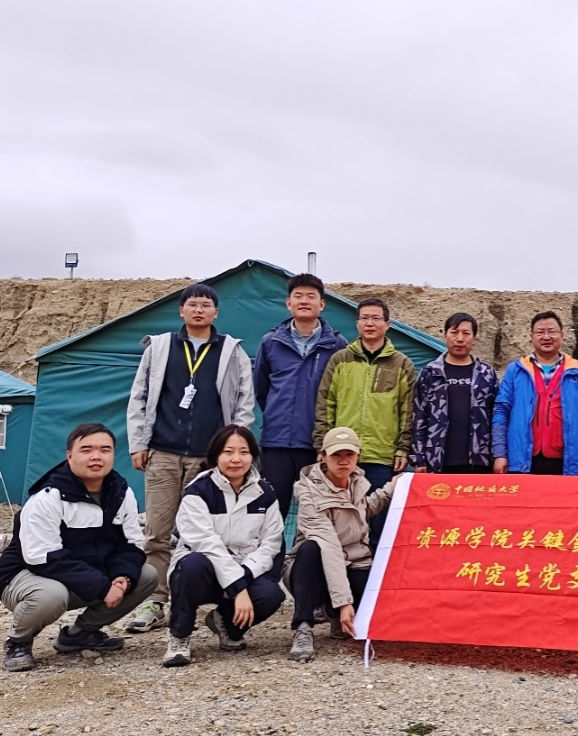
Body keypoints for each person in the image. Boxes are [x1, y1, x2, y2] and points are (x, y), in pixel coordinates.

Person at [125, 282, 255, 633]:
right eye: (192, 304)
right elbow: (139, 396)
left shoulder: (232, 351)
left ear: (216, 312)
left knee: (205, 532)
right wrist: (138, 443)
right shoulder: (160, 346)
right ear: (181, 310)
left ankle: (197, 600)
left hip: (208, 460)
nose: (199, 310)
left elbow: (244, 403)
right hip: (163, 452)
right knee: (157, 532)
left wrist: (232, 450)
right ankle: (156, 601)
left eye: (206, 305)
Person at [0, 423, 158, 672]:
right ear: (70, 456)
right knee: (51, 595)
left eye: (105, 450)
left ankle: (80, 634)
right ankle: (18, 641)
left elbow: (131, 544)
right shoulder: (47, 497)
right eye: (87, 450)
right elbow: (41, 557)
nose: (96, 456)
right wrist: (102, 587)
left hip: (83, 573)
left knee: (146, 576)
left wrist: (123, 577)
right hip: (26, 575)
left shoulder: (121, 492)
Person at [162, 425, 285, 667]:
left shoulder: (265, 493)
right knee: (192, 565)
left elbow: (271, 543)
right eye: (228, 452)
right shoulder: (198, 491)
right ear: (216, 455)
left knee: (271, 595)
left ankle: (225, 624)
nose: (236, 459)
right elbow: (207, 545)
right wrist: (239, 588)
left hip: (244, 567)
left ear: (253, 456)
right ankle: (179, 636)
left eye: (244, 452)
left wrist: (245, 575)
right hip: (205, 570)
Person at [285, 427, 400, 662]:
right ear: (323, 456)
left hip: (354, 561)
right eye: (336, 454)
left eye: (349, 454)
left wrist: (393, 487)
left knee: (372, 602)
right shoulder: (308, 491)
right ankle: (303, 627)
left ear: (358, 456)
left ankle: (333, 613)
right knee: (311, 549)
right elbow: (329, 547)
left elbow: (364, 510)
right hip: (316, 566)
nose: (343, 460)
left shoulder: (357, 482)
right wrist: (344, 602)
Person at [313, 297, 415, 547]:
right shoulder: (340, 360)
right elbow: (326, 403)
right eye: (365, 318)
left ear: (388, 324)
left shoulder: (401, 363)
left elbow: (408, 410)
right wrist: (323, 445)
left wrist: (403, 448)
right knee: (342, 519)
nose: (370, 323)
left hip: (382, 456)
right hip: (343, 455)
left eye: (376, 318)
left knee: (378, 523)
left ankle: (373, 571)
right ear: (357, 323)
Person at [254, 273, 348, 521]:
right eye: (298, 296)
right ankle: (272, 550)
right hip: (276, 443)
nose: (304, 301)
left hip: (317, 445)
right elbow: (261, 390)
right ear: (288, 303)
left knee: (316, 513)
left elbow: (341, 395)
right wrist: (277, 415)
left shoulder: (337, 345)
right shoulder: (271, 342)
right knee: (272, 514)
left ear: (322, 304)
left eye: (311, 296)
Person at [492, 311, 578, 476]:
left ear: (562, 335)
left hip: (566, 461)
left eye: (552, 332)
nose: (546, 337)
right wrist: (500, 454)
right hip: (522, 460)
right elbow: (501, 412)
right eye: (540, 332)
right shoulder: (516, 371)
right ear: (531, 337)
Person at [411, 313, 499, 474]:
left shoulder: (486, 374)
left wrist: (498, 455)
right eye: (454, 332)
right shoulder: (430, 373)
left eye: (466, 333)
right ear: (445, 335)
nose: (460, 339)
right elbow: (419, 416)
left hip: (480, 460)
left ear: (474, 338)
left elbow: (496, 415)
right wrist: (419, 457)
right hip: (437, 459)